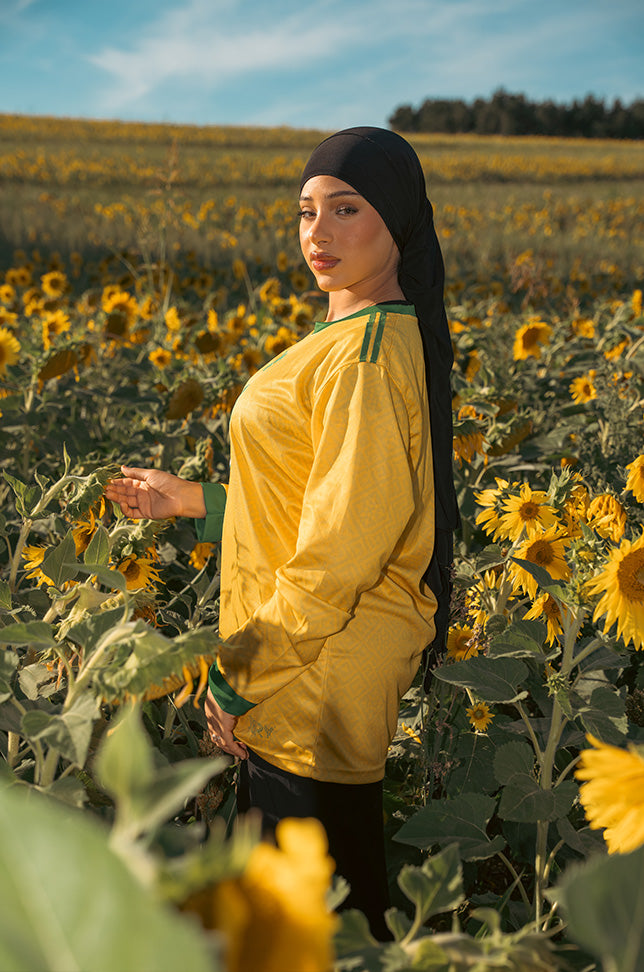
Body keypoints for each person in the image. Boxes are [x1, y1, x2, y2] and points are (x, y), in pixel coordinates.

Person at [105, 126, 458, 940]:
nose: (318, 234)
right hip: (305, 674)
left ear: (396, 221)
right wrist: (195, 501)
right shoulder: (353, 339)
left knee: (317, 931)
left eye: (346, 209)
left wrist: (237, 682)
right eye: (305, 212)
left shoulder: (366, 354)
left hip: (311, 684)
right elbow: (324, 502)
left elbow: (338, 556)